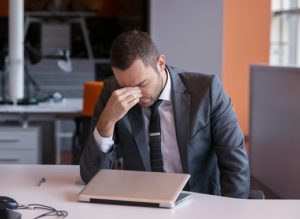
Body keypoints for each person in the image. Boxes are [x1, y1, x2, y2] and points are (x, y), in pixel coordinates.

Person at [80, 30, 250, 198]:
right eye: (125, 86)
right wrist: (106, 122)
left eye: (142, 84)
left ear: (160, 63)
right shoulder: (112, 93)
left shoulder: (207, 91)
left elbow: (235, 167)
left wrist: (230, 211)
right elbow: (91, 178)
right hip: (142, 204)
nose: (135, 94)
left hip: (200, 202)